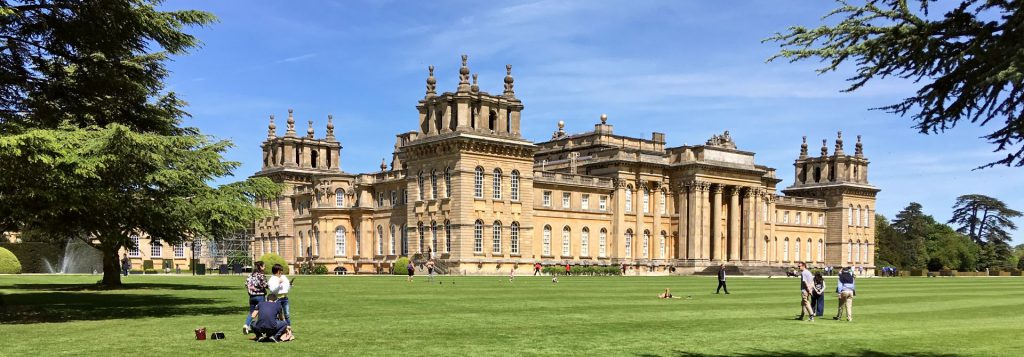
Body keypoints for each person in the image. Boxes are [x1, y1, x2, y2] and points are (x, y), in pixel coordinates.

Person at [243, 261, 268, 334]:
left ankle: (246, 325)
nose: (264, 267)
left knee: (251, 312)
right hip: (260, 296)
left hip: (252, 297)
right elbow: (265, 285)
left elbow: (246, 284)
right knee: (261, 312)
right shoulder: (261, 275)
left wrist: (250, 291)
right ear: (260, 267)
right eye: (264, 266)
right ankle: (261, 327)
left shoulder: (250, 275)